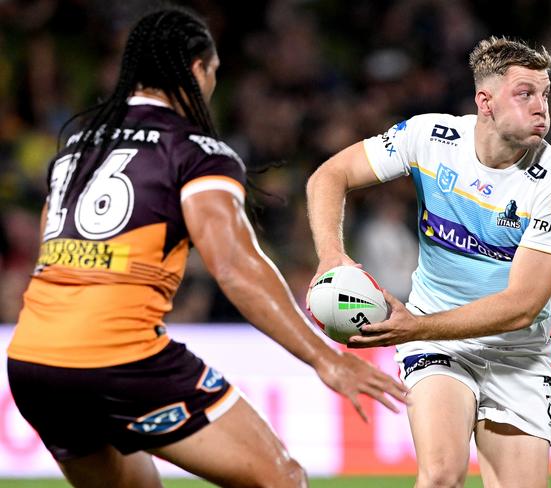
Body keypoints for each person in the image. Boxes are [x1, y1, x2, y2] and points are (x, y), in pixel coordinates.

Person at [6, 7, 407, 488]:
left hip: (33, 363)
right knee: (281, 480)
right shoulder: (196, 151)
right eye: (214, 73)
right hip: (119, 358)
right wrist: (325, 358)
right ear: (198, 70)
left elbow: (51, 250)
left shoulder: (78, 144)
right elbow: (235, 267)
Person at [307, 36, 551, 488]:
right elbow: (329, 175)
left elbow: (521, 306)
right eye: (525, 93)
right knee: (440, 476)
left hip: (517, 354)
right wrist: (331, 254)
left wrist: (413, 327)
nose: (541, 107)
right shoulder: (430, 137)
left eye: (544, 94)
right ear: (486, 101)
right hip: (439, 341)